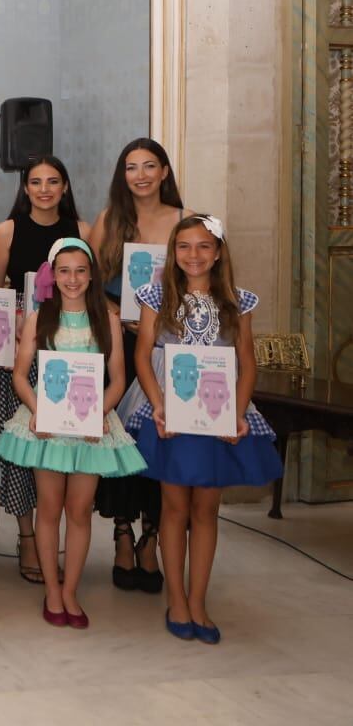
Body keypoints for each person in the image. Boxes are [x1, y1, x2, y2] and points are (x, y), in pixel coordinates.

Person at [125, 215, 282, 644]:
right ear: (173, 253)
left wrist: (238, 411)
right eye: (184, 247)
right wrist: (158, 405)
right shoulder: (156, 296)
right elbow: (142, 356)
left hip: (217, 417)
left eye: (202, 247)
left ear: (217, 253)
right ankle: (176, 598)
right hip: (170, 419)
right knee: (173, 509)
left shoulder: (238, 301)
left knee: (206, 510)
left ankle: (199, 600)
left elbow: (246, 361)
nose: (193, 255)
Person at [0, 239, 146, 629]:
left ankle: (71, 590)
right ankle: (51, 588)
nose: (72, 279)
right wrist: (36, 407)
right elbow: (19, 374)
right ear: (53, 274)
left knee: (79, 511)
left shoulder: (107, 319)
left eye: (80, 270)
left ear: (92, 274)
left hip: (90, 426)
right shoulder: (39, 318)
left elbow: (118, 379)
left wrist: (101, 413)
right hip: (47, 427)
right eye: (64, 271)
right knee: (49, 509)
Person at [90, 138, 191, 593]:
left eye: (150, 166)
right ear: (122, 174)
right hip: (117, 345)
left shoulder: (184, 223)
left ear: (165, 172)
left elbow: (198, 280)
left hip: (166, 348)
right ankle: (122, 534)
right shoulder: (110, 220)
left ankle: (152, 536)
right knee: (119, 444)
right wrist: (112, 316)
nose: (141, 175)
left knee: (157, 442)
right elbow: (87, 282)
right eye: (132, 167)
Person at [0, 155, 90, 584]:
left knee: (64, 450)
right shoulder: (6, 231)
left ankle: (60, 535)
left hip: (69, 355)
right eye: (35, 182)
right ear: (24, 188)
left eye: (53, 181)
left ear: (65, 186)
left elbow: (90, 287)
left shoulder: (82, 232)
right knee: (27, 447)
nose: (44, 189)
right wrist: (9, 321)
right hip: (21, 353)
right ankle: (27, 535)